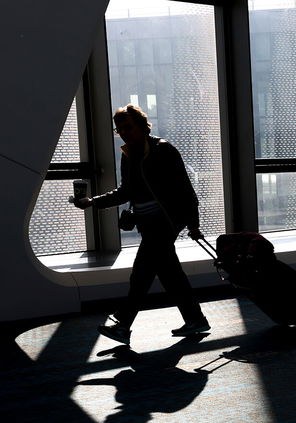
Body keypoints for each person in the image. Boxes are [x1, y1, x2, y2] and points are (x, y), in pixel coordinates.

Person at [73, 104, 208, 344]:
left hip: (166, 222)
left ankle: (123, 324)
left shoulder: (163, 150)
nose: (124, 132)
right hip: (149, 224)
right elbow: (126, 191)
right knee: (169, 273)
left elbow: (184, 189)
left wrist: (193, 224)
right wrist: (92, 201)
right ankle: (195, 319)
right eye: (120, 129)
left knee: (142, 273)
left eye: (128, 127)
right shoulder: (129, 154)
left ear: (143, 126)